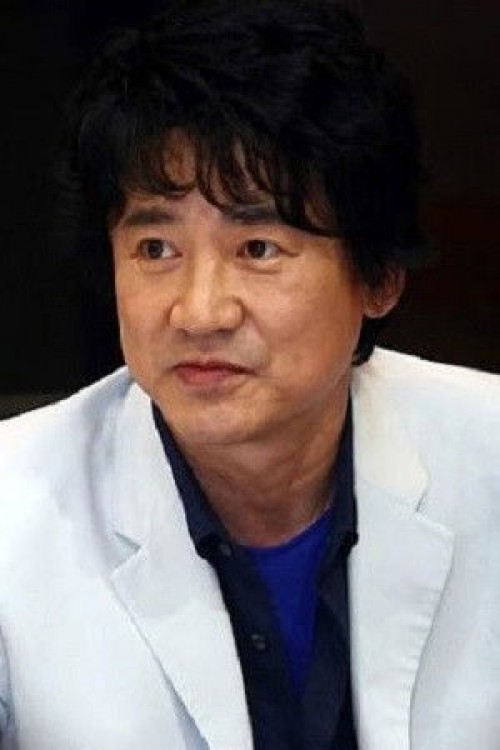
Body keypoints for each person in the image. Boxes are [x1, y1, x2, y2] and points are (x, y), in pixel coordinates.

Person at [0, 1, 498, 748]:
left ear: (379, 277)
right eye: (156, 250)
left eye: (258, 248)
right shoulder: (13, 508)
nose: (199, 312)